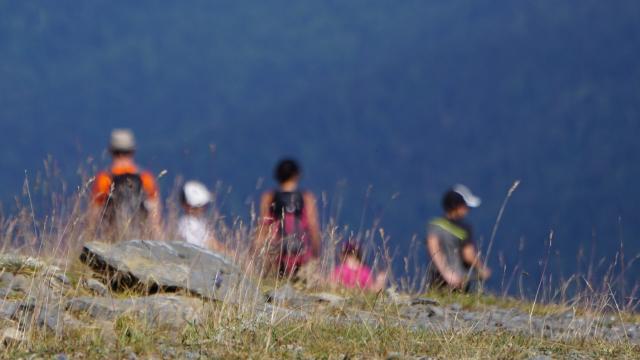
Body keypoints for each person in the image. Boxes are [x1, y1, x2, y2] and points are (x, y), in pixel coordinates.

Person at [90, 129, 161, 240]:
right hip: (141, 241)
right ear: (132, 150)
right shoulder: (146, 179)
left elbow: (93, 219)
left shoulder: (104, 179)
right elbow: (155, 220)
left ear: (111, 151)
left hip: (112, 240)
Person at [254, 159, 321, 277]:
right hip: (301, 250)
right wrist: (316, 253)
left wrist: (255, 252)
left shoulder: (269, 197)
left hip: (277, 251)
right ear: (297, 175)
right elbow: (312, 226)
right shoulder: (306, 197)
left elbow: (264, 226)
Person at [426, 185, 491, 291]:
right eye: (465, 206)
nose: (467, 209)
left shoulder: (434, 225)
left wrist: (445, 272)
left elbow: (433, 249)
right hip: (459, 280)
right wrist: (482, 268)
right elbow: (468, 255)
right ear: (455, 205)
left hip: (436, 280)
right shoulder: (464, 229)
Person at [177, 180, 225, 253]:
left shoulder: (198, 222)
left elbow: (212, 243)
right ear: (188, 206)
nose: (203, 209)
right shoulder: (187, 226)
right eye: (199, 206)